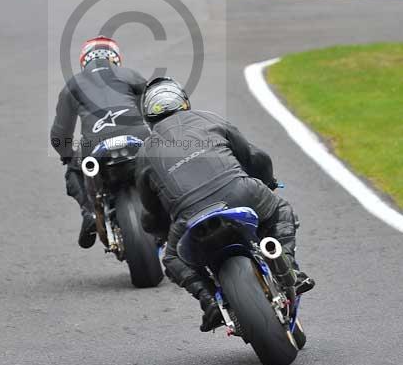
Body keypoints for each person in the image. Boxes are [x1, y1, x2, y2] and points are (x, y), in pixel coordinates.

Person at [135, 77, 315, 333]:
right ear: (184, 103)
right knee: (280, 209)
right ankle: (291, 271)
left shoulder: (144, 152)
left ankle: (209, 301)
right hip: (240, 192)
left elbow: (150, 210)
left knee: (172, 257)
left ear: (147, 118)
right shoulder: (209, 119)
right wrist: (268, 182)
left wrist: (161, 231)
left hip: (190, 215)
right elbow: (255, 157)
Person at [50, 37, 149, 249]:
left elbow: (60, 133)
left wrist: (68, 155)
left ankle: (89, 214)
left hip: (96, 144)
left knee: (73, 169)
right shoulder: (130, 74)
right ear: (115, 58)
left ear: (84, 61)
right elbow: (152, 108)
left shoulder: (73, 85)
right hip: (137, 137)